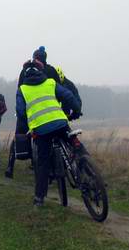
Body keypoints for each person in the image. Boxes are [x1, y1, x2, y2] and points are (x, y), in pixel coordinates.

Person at [6, 45, 81, 178]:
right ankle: (83, 166)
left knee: (21, 136)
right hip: (55, 111)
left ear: (34, 58)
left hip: (34, 114)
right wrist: (68, 110)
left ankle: (10, 167)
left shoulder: (25, 71)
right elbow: (62, 92)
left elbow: (20, 91)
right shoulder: (52, 71)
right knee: (69, 138)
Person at [16, 60, 81, 207]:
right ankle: (89, 170)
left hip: (41, 129)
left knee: (43, 163)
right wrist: (76, 110)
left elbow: (20, 112)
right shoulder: (50, 82)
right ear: (41, 71)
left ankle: (39, 198)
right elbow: (69, 96)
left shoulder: (22, 89)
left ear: (24, 74)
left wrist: (27, 127)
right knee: (75, 143)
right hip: (60, 123)